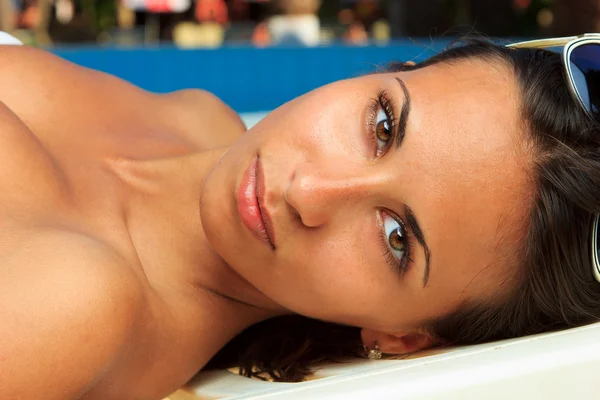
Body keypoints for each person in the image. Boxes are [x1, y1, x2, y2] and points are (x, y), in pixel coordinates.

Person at [2, 33, 600, 400]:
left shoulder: (75, 309)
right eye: (383, 124)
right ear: (388, 73)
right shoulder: (198, 121)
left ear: (405, 336)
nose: (308, 190)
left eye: (396, 238)